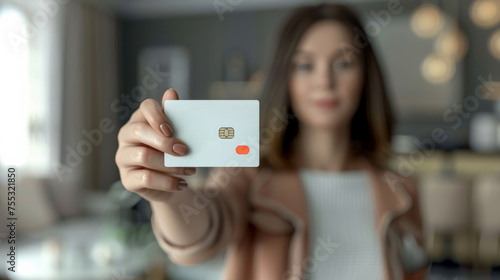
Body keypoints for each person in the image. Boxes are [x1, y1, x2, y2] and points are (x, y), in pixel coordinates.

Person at [115, 3, 430, 280]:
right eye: (305, 65)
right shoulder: (248, 177)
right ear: (285, 77)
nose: (324, 81)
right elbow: (200, 235)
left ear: (366, 77)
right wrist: (166, 196)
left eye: (343, 63)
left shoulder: (401, 189)